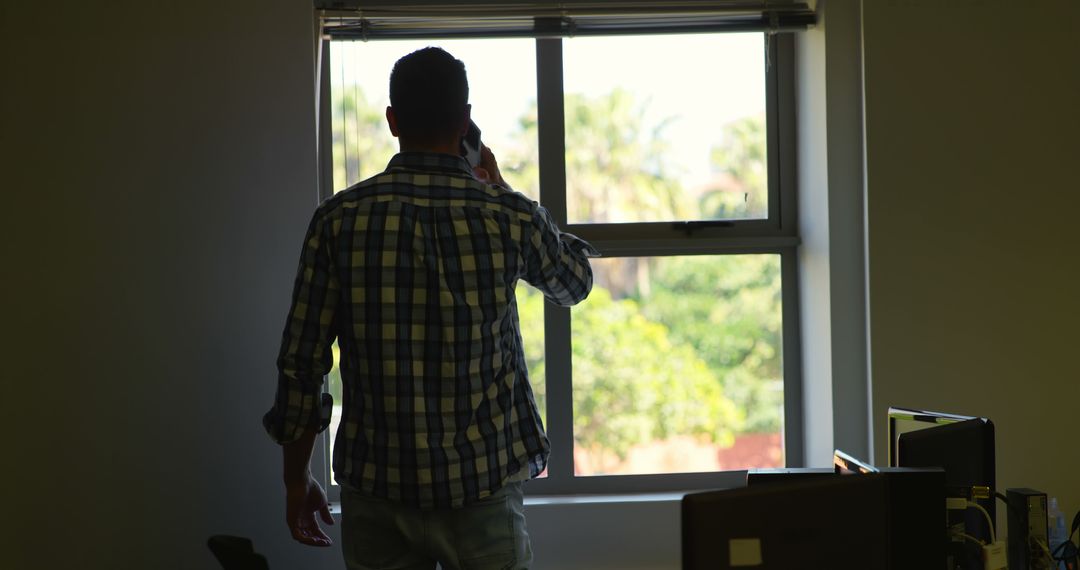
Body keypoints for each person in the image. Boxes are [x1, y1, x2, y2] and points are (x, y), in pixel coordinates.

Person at [262, 46, 595, 570]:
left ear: (393, 121)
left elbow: (302, 364)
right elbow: (573, 285)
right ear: (465, 123)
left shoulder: (338, 220)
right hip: (482, 489)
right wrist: (501, 187)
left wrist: (295, 479)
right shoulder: (507, 216)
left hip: (377, 491)